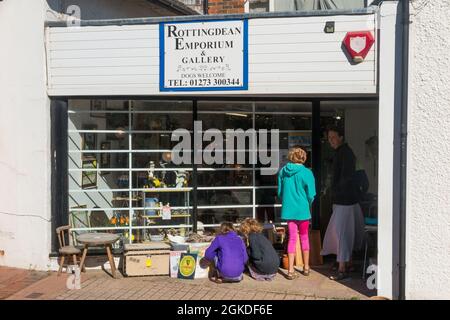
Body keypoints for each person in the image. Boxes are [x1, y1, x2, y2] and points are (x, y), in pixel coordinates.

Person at [320, 126, 365, 281]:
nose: (330, 140)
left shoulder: (344, 153)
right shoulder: (344, 152)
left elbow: (345, 177)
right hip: (348, 200)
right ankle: (349, 263)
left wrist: (335, 191)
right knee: (346, 233)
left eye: (333, 137)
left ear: (341, 137)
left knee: (342, 234)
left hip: (344, 201)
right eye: (329, 138)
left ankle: (342, 268)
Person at [277, 146, 316, 280]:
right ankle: (306, 267)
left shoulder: (283, 171)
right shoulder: (307, 173)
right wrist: (308, 202)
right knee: (304, 237)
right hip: (303, 210)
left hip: (289, 210)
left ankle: (290, 270)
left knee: (292, 238)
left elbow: (280, 192)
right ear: (303, 158)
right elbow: (311, 194)